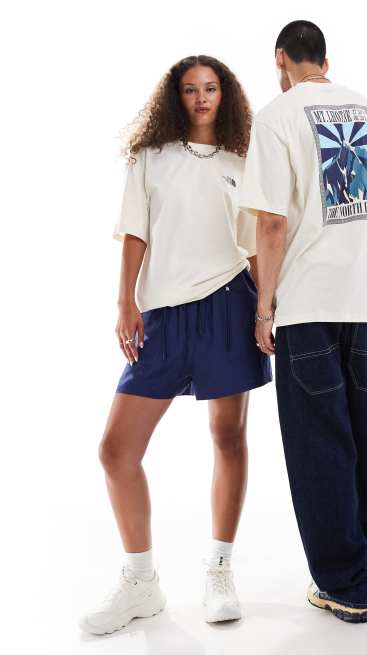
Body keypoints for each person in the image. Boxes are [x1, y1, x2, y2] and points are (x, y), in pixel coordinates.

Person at [79, 55, 272, 635]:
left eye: (210, 88)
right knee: (116, 450)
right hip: (162, 314)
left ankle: (219, 571)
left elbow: (256, 244)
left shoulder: (243, 160)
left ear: (225, 95)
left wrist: (266, 309)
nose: (202, 97)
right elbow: (134, 231)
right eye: (190, 89)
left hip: (228, 304)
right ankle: (141, 582)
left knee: (227, 436)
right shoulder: (150, 157)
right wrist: (125, 302)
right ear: (175, 97)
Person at [239, 20, 367, 624]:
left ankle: (345, 582)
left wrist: (264, 306)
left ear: (281, 59)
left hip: (309, 302)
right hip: (365, 298)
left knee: (319, 442)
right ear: (326, 61)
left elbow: (270, 223)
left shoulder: (277, 116)